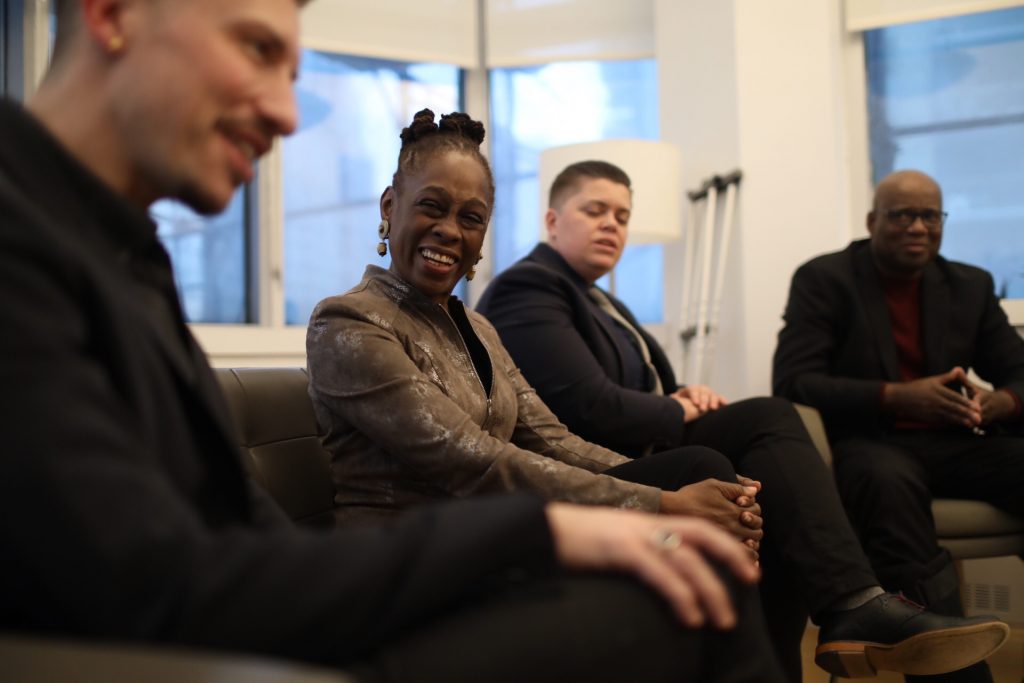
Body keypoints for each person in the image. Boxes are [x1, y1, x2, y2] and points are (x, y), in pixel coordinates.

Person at [0, 1, 792, 682]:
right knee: (692, 595)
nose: (285, 112)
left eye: (473, 216)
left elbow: (240, 524)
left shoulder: (123, 252)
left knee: (693, 542)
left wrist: (625, 510)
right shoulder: (30, 242)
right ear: (110, 14)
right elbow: (157, 580)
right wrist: (556, 527)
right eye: (256, 48)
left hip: (295, 605)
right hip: (241, 635)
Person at [307, 119, 1008, 681]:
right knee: (707, 477)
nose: (451, 231)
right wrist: (663, 501)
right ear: (390, 207)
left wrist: (693, 489)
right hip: (418, 553)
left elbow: (551, 435)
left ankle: (844, 617)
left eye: (472, 217)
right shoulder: (350, 322)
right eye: (432, 206)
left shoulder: (476, 324)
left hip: (500, 528)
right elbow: (476, 464)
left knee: (719, 479)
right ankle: (847, 615)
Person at [773, 169, 1024, 683]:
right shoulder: (825, 279)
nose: (918, 227)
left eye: (930, 216)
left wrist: (1003, 401)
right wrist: (894, 396)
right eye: (902, 215)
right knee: (887, 488)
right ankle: (953, 670)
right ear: (872, 221)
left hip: (956, 442)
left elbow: (1017, 371)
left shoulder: (969, 285)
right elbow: (795, 381)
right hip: (872, 444)